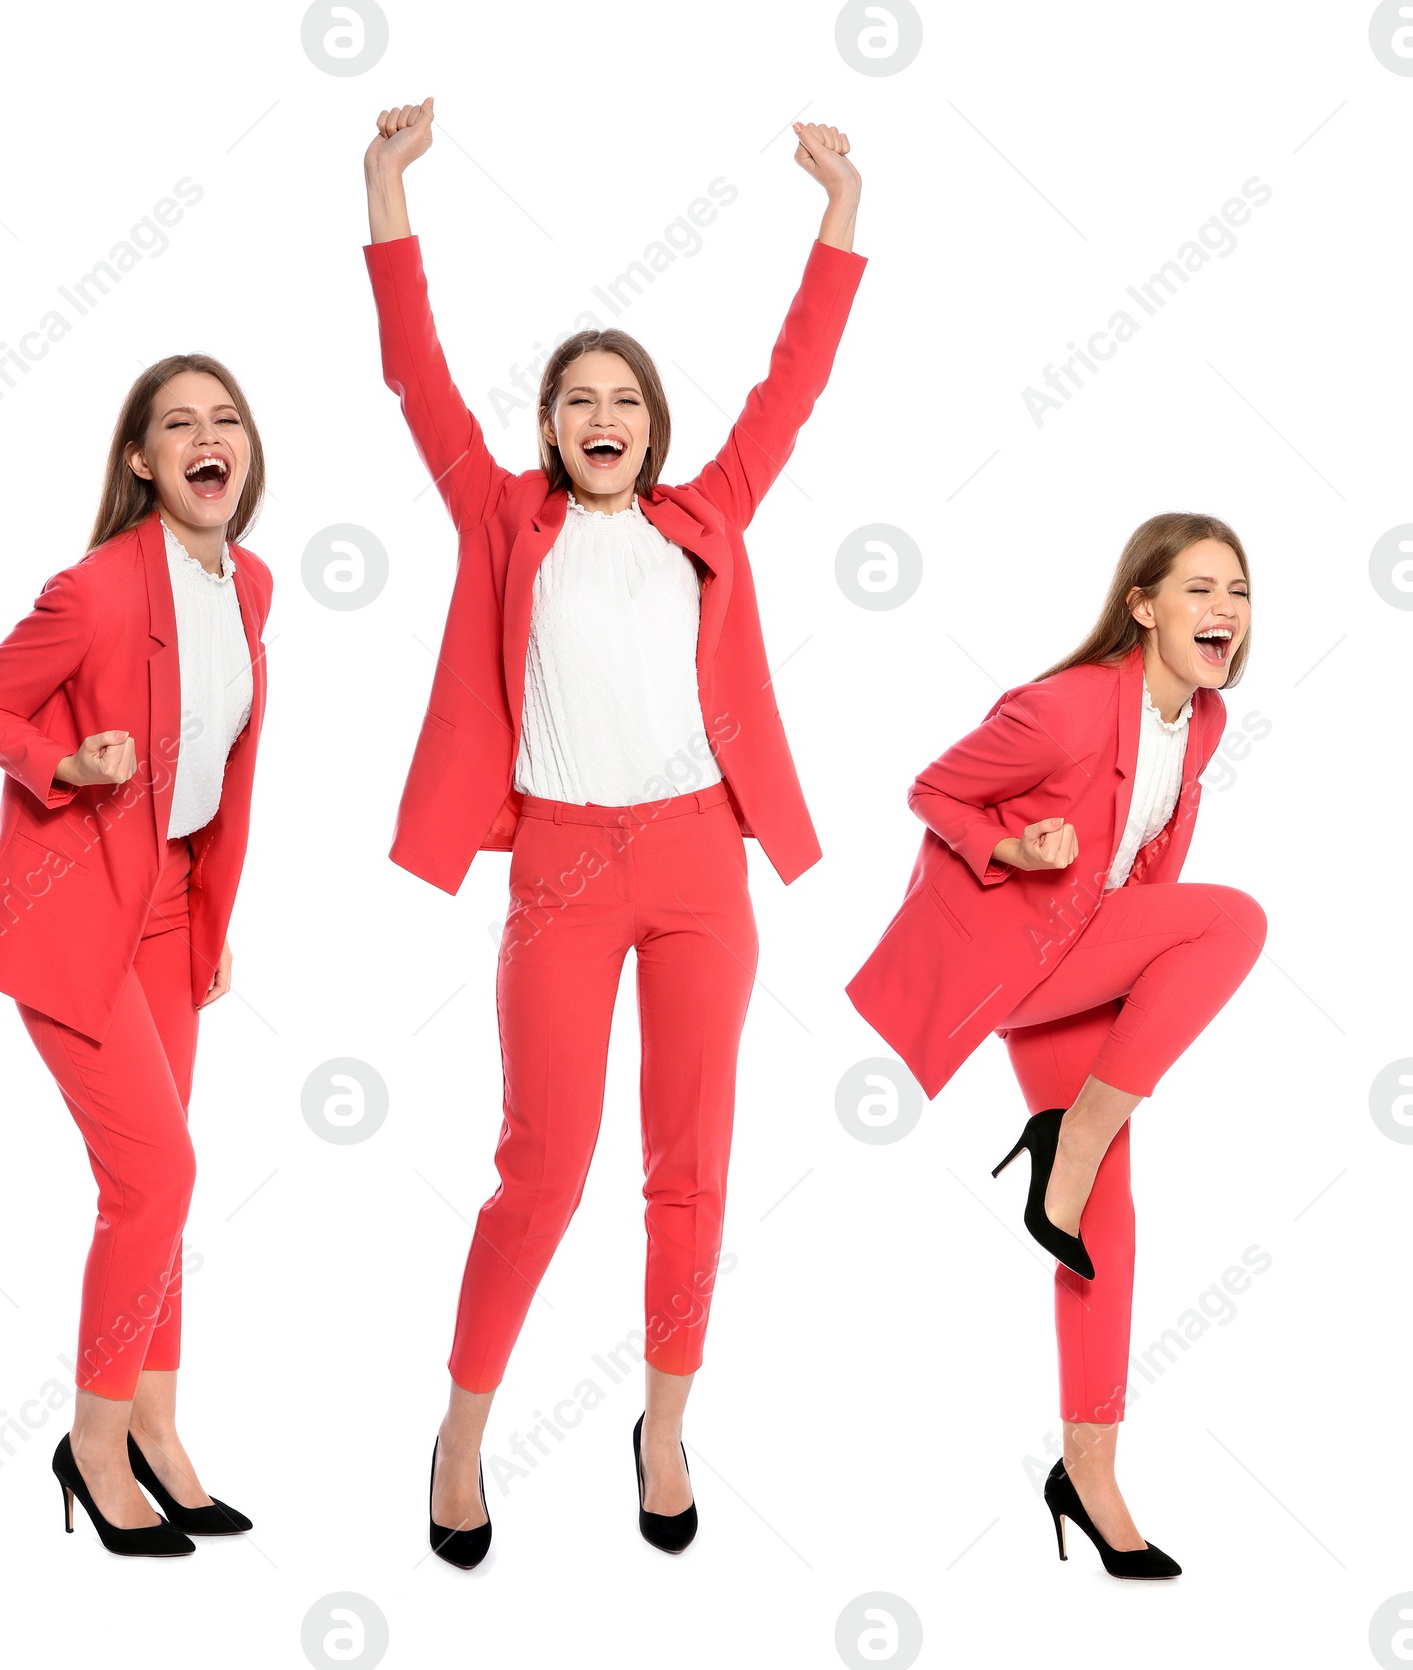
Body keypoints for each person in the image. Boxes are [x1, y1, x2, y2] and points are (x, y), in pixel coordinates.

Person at [362, 95, 865, 1564]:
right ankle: (461, 1428)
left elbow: (801, 376)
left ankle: (663, 1420)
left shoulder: (711, 510)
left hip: (702, 855)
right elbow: (413, 377)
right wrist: (389, 189)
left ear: (654, 425)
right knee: (546, 1161)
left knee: (691, 1161)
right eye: (578, 398)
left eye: (625, 400)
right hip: (565, 864)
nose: (601, 418)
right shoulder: (500, 517)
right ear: (548, 425)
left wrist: (837, 206)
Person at [847, 513, 1265, 1579]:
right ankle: (1067, 1138)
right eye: (1198, 589)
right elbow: (931, 786)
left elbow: (1154, 867)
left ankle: (1087, 1469)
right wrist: (1010, 841)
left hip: (1089, 953)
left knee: (1101, 1219)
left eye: (1238, 592)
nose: (1223, 610)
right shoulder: (1068, 707)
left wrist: (1140, 990)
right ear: (1141, 604)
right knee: (1235, 920)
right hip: (1014, 952)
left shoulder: (1203, 721)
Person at [0, 355, 272, 1556]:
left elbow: (216, 764)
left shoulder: (252, 585)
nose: (207, 437)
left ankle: (158, 1427)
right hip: (76, 912)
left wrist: (211, 912)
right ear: (141, 462)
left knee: (156, 1186)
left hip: (177, 906)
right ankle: (91, 1447)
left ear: (246, 453)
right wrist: (62, 763)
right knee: (159, 1177)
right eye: (177, 424)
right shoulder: (91, 589)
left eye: (224, 419)